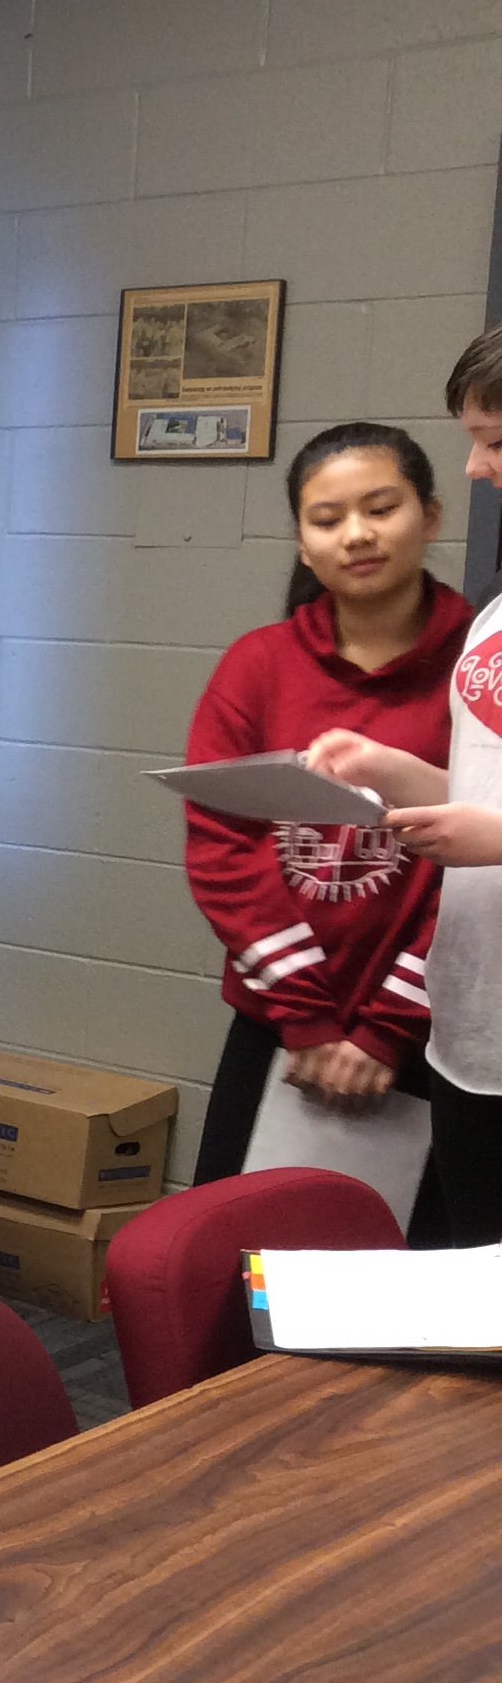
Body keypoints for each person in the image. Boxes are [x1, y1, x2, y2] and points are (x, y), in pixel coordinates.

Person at [183, 423, 465, 1209]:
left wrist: (386, 1029)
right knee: (239, 1268)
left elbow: (479, 870)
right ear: (303, 544)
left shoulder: (479, 668)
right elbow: (222, 850)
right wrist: (307, 1019)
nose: (358, 535)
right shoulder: (257, 664)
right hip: (279, 1023)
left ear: (431, 517)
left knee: (405, 1298)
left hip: (430, 1035)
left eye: (382, 508)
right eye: (328, 518)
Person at [309, 328, 502, 1247]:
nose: (473, 467)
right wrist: (392, 771)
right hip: (473, 1034)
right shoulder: (499, 609)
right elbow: (482, 792)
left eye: (496, 441)